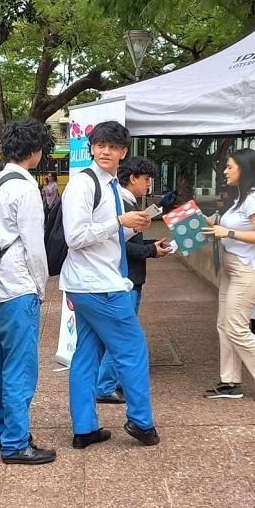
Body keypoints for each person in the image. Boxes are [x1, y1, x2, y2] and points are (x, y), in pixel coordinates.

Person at [61, 121, 159, 449]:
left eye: (113, 146)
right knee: (132, 349)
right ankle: (142, 422)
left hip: (92, 282)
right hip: (98, 285)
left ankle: (85, 429)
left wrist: (131, 226)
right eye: (100, 144)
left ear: (123, 152)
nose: (106, 151)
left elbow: (107, 238)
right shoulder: (84, 184)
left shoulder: (111, 185)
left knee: (87, 354)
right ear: (91, 147)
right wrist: (118, 221)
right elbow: (75, 236)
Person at [0, 118, 54, 464]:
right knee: (19, 367)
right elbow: (35, 248)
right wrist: (42, 286)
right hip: (18, 287)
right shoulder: (25, 188)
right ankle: (16, 442)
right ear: (35, 152)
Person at [201, 149, 255, 402]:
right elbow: (222, 224)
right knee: (224, 324)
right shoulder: (239, 197)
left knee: (236, 326)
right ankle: (230, 381)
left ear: (244, 168)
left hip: (248, 270)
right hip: (231, 268)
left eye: (230, 167)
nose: (225, 171)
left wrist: (227, 233)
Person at [95, 157, 172, 405]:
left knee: (120, 335)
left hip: (128, 278)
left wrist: (152, 246)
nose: (148, 185)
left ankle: (112, 384)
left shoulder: (128, 202)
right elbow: (121, 247)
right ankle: (106, 387)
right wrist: (151, 251)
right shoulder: (124, 206)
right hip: (125, 280)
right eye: (146, 180)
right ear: (133, 179)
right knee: (122, 337)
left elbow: (131, 244)